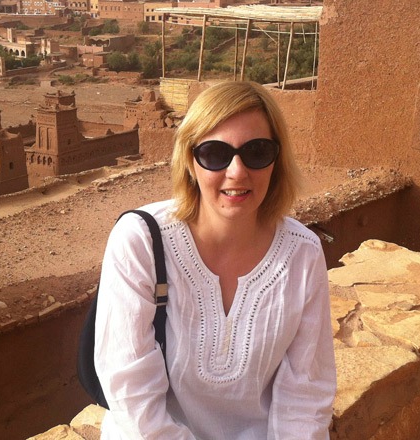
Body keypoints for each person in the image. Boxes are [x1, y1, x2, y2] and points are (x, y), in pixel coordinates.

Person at [94, 81, 336, 439]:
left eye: (256, 152)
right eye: (215, 154)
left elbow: (305, 394)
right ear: (190, 162)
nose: (237, 172)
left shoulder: (302, 254)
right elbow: (132, 396)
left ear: (276, 160)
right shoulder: (141, 242)